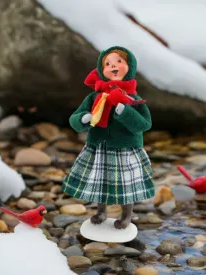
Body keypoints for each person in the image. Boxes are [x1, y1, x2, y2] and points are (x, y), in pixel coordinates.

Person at [62, 46, 155, 229]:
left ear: (130, 67)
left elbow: (145, 124)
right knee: (100, 181)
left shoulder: (133, 98)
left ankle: (127, 215)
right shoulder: (94, 97)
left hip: (125, 149)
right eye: (108, 64)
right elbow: (74, 118)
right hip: (99, 146)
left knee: (126, 185)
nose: (113, 66)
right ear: (101, 70)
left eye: (119, 62)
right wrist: (83, 119)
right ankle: (101, 211)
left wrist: (125, 111)